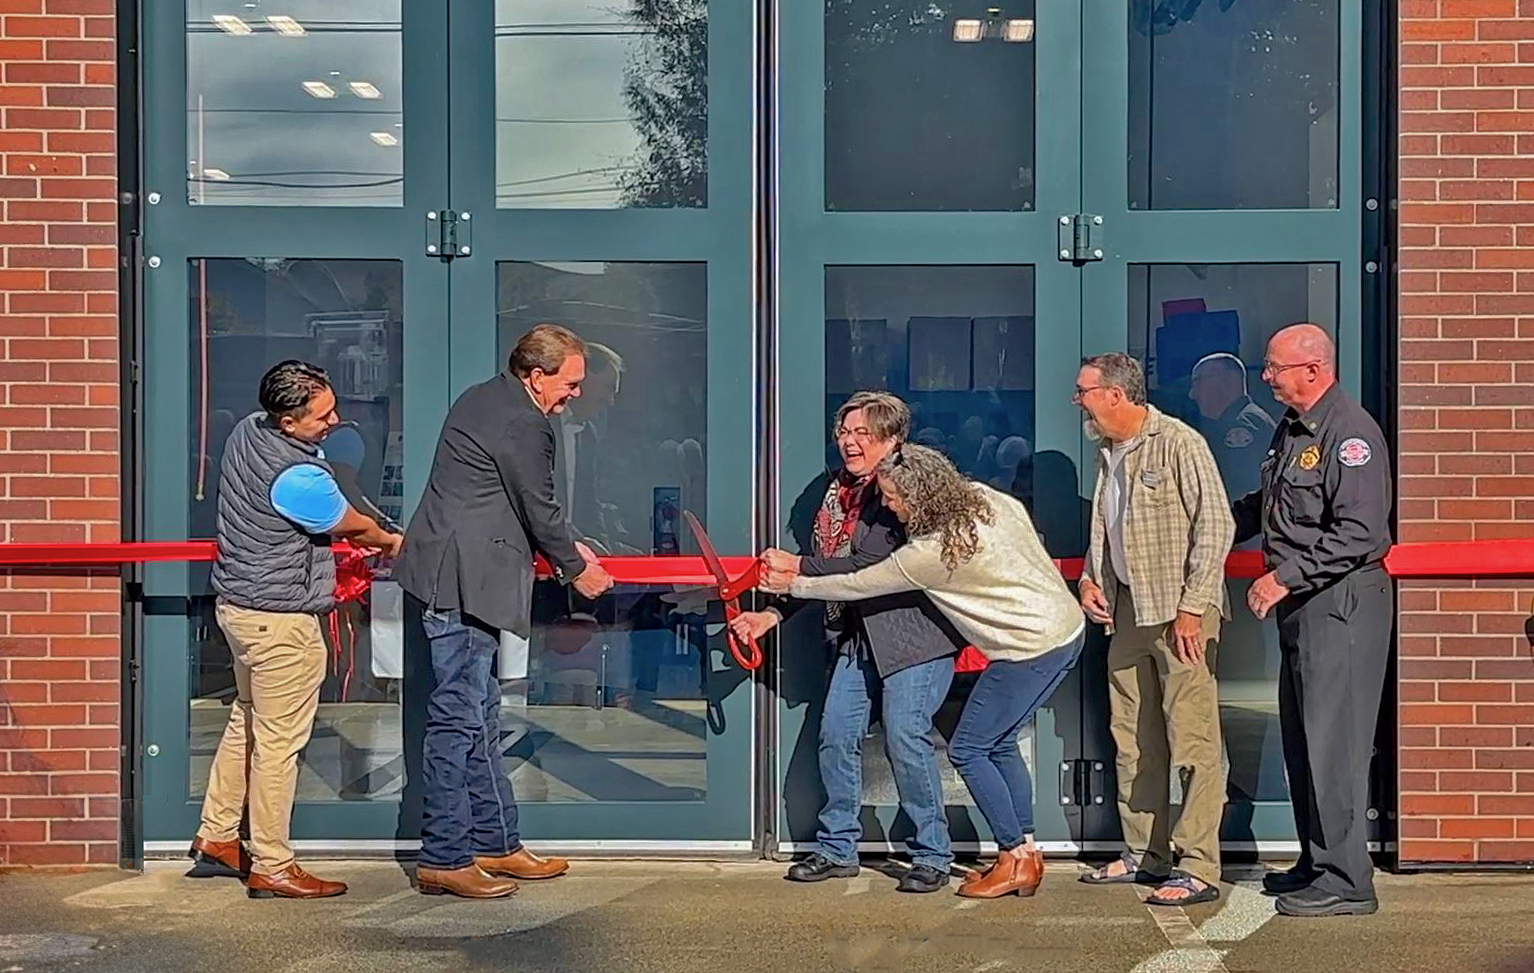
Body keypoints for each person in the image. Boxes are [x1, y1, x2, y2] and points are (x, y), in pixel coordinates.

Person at [758, 444, 1085, 900]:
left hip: (1027, 648)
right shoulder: (986, 499)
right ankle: (1026, 852)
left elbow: (859, 584)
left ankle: (1012, 855)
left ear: (921, 497)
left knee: (969, 749)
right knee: (1001, 741)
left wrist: (793, 583)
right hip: (1061, 628)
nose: (888, 505)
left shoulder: (930, 552)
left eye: (893, 498)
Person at [398, 323, 616, 899]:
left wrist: (569, 545)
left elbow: (515, 500)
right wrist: (576, 568)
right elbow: (537, 504)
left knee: (481, 712)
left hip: (462, 576)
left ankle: (496, 843)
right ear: (536, 375)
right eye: (570, 382)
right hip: (466, 582)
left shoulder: (485, 396)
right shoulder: (524, 419)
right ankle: (445, 855)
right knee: (459, 718)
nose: (574, 393)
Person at [729, 392, 967, 893]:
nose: (850, 442)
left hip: (912, 640)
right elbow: (824, 574)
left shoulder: (908, 492)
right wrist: (772, 613)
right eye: (845, 431)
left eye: (864, 433)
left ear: (892, 440)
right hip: (857, 640)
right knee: (836, 734)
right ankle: (838, 847)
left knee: (906, 738)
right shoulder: (836, 494)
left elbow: (871, 569)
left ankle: (933, 854)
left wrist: (797, 569)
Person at [189, 360, 403, 899]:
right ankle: (273, 863)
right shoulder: (299, 477)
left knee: (248, 722)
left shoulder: (246, 430)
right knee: (279, 745)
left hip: (239, 610)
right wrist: (394, 541)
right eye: (322, 416)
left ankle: (217, 834)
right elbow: (353, 525)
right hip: (282, 623)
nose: (335, 421)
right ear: (286, 422)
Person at [1234, 323, 1392, 918]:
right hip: (1307, 608)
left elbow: (1361, 532)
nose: (1267, 377)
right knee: (1304, 742)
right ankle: (1317, 861)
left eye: (1274, 368)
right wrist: (1213, 523)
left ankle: (1348, 880)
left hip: (1341, 605)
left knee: (1335, 744)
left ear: (1313, 369)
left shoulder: (1349, 433)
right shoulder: (1295, 429)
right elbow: (1270, 506)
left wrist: (1284, 577)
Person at [1072, 353, 1235, 907]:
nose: (1078, 402)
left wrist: (1193, 607)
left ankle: (1197, 866)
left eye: (1085, 391)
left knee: (1191, 740)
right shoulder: (1108, 453)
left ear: (1115, 395)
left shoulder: (1180, 442)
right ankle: (1145, 853)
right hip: (1128, 614)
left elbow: (1216, 525)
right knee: (1133, 740)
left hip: (1179, 615)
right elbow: (1106, 531)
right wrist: (1092, 582)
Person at [1188, 352, 1276, 505]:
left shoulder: (1245, 424)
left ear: (1227, 381)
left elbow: (1239, 489)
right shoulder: (1227, 423)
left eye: (1198, 382)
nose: (1192, 394)